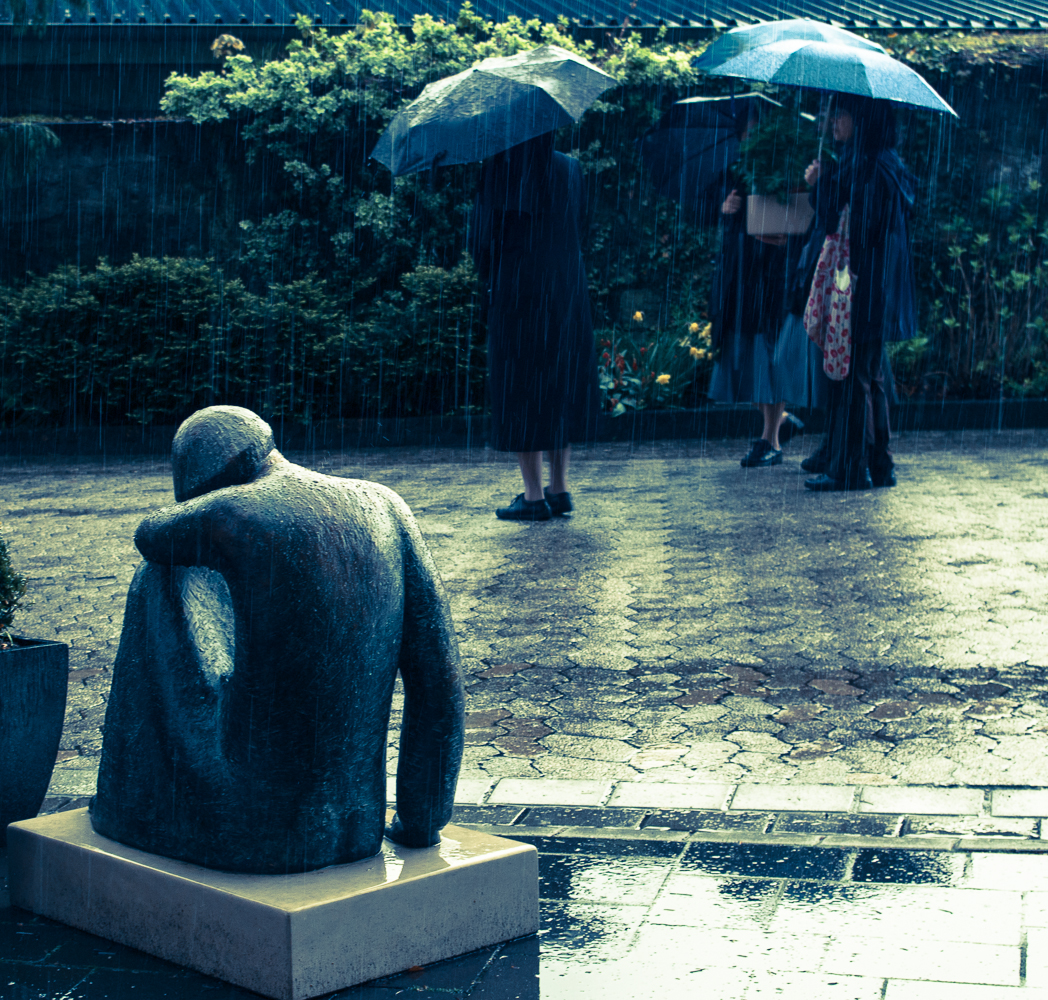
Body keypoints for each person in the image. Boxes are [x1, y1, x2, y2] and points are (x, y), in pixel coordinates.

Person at [91, 406, 464, 873]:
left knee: (159, 575)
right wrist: (423, 819)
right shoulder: (384, 505)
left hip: (251, 828)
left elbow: (149, 534)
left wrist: (199, 509)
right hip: (357, 827)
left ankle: (133, 801)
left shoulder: (230, 514)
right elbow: (440, 682)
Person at [472, 133, 598, 521]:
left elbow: (479, 241)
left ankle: (532, 496)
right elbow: (585, 227)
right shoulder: (570, 168)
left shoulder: (500, 168)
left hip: (519, 294)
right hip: (567, 292)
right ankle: (558, 488)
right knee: (560, 384)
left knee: (522, 389)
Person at [801, 95, 917, 491]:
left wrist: (821, 186)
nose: (834, 120)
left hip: (862, 286)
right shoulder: (884, 164)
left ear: (861, 119)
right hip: (876, 287)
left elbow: (856, 229)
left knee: (853, 377)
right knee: (870, 376)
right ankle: (877, 464)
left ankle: (851, 468)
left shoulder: (870, 168)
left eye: (842, 113)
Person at [705, 110, 808, 468]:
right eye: (748, 133)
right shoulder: (734, 172)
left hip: (772, 274)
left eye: (757, 133)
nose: (752, 140)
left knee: (768, 351)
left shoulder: (786, 174)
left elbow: (799, 222)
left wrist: (779, 234)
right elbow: (715, 212)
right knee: (745, 353)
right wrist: (726, 207)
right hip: (740, 273)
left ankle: (770, 440)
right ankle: (776, 424)